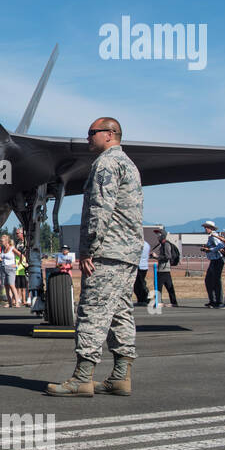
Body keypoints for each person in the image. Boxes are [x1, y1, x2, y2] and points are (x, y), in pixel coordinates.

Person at [47, 117, 143, 397]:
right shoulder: (129, 164)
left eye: (92, 133)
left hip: (107, 252)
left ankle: (83, 377)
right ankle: (120, 376)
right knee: (121, 313)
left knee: (92, 312)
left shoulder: (106, 164)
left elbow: (100, 209)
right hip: (126, 254)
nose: (87, 138)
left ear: (110, 135)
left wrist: (89, 249)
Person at [151, 226, 179, 306]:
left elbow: (168, 256)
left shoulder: (166, 244)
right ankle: (173, 302)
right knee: (169, 285)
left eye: (158, 234)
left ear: (163, 235)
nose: (157, 236)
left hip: (163, 269)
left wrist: (156, 257)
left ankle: (159, 301)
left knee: (158, 285)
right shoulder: (162, 244)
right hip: (164, 268)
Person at [200, 220, 224, 307]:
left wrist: (209, 249)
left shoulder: (214, 236)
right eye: (205, 227)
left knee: (216, 281)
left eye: (207, 227)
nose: (205, 229)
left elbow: (221, 246)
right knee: (209, 280)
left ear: (211, 228)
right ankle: (213, 300)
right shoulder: (211, 236)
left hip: (217, 260)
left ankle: (219, 301)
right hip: (213, 261)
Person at [133, 236, 151, 306]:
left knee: (139, 284)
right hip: (144, 266)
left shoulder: (139, 244)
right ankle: (141, 299)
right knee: (140, 283)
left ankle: (144, 298)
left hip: (139, 266)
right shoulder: (146, 244)